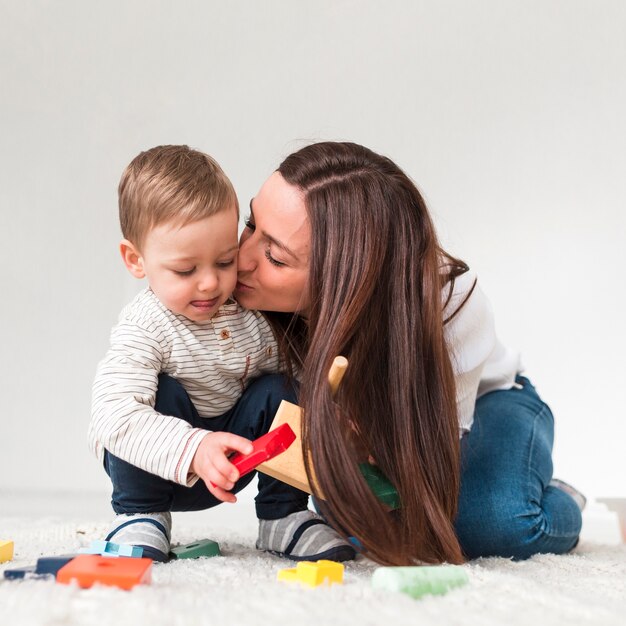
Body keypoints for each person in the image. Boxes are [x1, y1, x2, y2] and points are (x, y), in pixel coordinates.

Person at [234, 141, 584, 566]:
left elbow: (432, 456)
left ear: (347, 277)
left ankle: (560, 496)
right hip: (367, 431)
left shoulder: (450, 301)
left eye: (273, 256)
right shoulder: (230, 289)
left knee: (493, 521)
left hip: (482, 408)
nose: (242, 260)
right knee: (352, 518)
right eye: (251, 224)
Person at [89, 145, 354, 562]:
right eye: (185, 270)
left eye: (225, 260)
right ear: (136, 260)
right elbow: (112, 416)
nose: (211, 284)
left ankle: (283, 516)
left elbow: (301, 378)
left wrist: (330, 407)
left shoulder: (249, 312)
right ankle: (140, 515)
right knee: (161, 391)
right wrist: (194, 447)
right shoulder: (144, 325)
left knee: (285, 388)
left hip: (236, 460)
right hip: (160, 464)